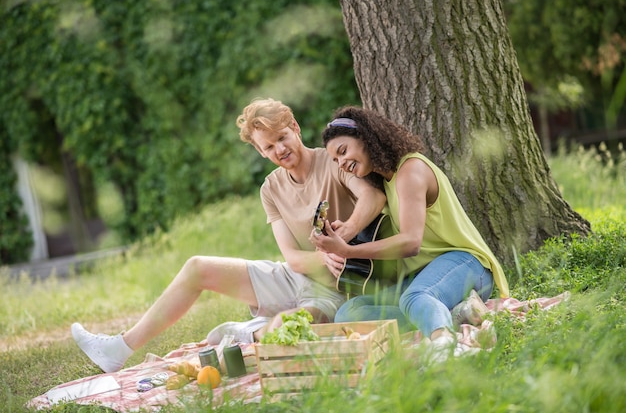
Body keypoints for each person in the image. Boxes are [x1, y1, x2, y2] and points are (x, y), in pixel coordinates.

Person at [71, 98, 386, 373]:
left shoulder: (332, 160)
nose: (280, 149)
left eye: (282, 137)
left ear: (295, 127)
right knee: (197, 266)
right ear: (260, 151)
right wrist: (320, 256)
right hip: (294, 275)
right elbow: (291, 257)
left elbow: (374, 197)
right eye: (269, 146)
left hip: (335, 291)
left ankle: (249, 333)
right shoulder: (271, 188)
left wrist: (344, 242)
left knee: (287, 325)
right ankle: (119, 349)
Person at [309, 106, 510, 360]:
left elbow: (411, 242)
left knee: (415, 297)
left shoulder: (410, 170)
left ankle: (445, 345)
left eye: (343, 151)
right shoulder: (385, 180)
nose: (342, 163)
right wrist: (340, 234)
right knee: (350, 312)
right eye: (336, 160)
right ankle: (452, 312)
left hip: (467, 265)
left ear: (366, 137)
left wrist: (347, 251)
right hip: (425, 276)